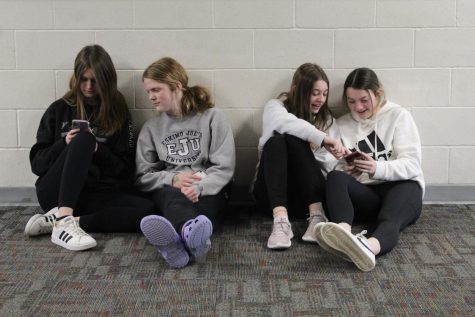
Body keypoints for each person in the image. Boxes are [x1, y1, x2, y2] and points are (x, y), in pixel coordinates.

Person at [25, 44, 155, 251]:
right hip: (56, 192)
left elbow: (125, 169)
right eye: (83, 80)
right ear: (76, 78)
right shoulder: (59, 109)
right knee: (83, 139)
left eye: (95, 81)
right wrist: (64, 145)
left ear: (107, 81)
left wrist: (98, 150)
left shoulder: (118, 112)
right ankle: (64, 219)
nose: (88, 87)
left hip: (95, 193)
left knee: (149, 211)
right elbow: (37, 165)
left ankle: (68, 221)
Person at [315, 67, 424, 272]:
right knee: (335, 177)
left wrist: (376, 167)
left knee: (391, 217)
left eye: (364, 100)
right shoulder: (342, 124)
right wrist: (349, 169)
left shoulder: (398, 115)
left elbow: (412, 164)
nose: (358, 107)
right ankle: (343, 234)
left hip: (400, 188)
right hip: (368, 195)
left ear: (378, 93)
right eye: (351, 101)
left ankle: (368, 248)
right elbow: (334, 164)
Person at [136, 57, 235, 268]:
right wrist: (173, 179)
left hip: (209, 187)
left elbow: (224, 168)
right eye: (148, 92)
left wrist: (199, 187)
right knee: (172, 198)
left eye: (156, 89)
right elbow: (142, 177)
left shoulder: (212, 117)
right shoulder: (151, 128)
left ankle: (175, 245)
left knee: (206, 212)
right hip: (171, 190)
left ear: (176, 86)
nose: (151, 97)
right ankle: (190, 237)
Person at [252, 63, 345, 250]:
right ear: (296, 90)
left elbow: (327, 168)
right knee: (279, 140)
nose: (321, 99)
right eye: (315, 93)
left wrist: (301, 155)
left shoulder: (327, 121)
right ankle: (280, 222)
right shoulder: (275, 107)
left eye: (325, 93)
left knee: (294, 140)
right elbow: (284, 123)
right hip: (271, 199)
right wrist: (321, 139)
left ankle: (317, 217)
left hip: (307, 198)